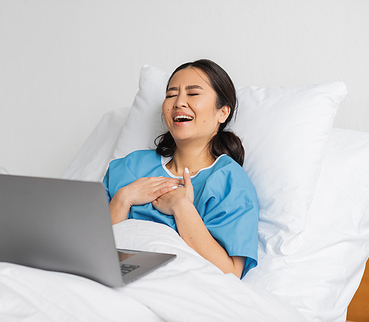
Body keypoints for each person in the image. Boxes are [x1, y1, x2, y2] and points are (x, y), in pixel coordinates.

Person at [103, 59, 259, 278]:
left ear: (222, 113)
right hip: (106, 279)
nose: (179, 102)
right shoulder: (130, 167)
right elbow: (88, 247)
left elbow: (230, 273)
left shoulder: (228, 180)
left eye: (193, 94)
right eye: (171, 94)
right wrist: (123, 198)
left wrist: (181, 207)